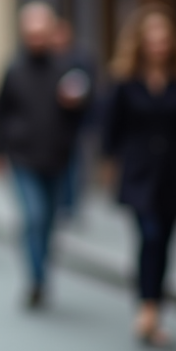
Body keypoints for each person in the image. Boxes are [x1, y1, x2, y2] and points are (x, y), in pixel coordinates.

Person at [102, 5, 176, 346]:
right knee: (149, 235)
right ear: (140, 41)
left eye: (164, 38)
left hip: (172, 170)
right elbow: (111, 128)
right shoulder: (125, 78)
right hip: (138, 171)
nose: (158, 45)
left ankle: (155, 306)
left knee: (165, 242)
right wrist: (110, 166)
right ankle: (146, 306)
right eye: (152, 38)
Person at [0, 2, 89, 309]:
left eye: (41, 32)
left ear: (51, 33)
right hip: (23, 158)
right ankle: (36, 280)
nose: (36, 38)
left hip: (57, 158)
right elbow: (1, 111)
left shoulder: (66, 70)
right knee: (33, 216)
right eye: (30, 33)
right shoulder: (14, 69)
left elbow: (85, 116)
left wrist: (77, 105)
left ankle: (42, 270)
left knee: (48, 221)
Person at [52, 17, 98, 221]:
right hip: (53, 124)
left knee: (75, 165)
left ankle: (71, 204)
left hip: (77, 122)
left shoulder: (80, 57)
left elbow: (92, 86)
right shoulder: (49, 59)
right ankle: (61, 203)